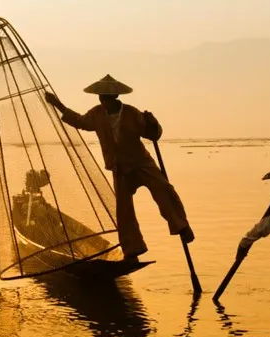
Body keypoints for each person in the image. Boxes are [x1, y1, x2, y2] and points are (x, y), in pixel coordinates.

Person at [44, 74, 194, 263]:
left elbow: (152, 135)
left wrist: (152, 123)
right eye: (102, 98)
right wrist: (57, 104)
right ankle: (132, 250)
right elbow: (80, 122)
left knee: (163, 189)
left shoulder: (132, 113)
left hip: (141, 163)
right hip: (119, 167)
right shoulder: (97, 114)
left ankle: (181, 226)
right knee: (124, 212)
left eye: (107, 97)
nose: (103, 101)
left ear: (115, 98)